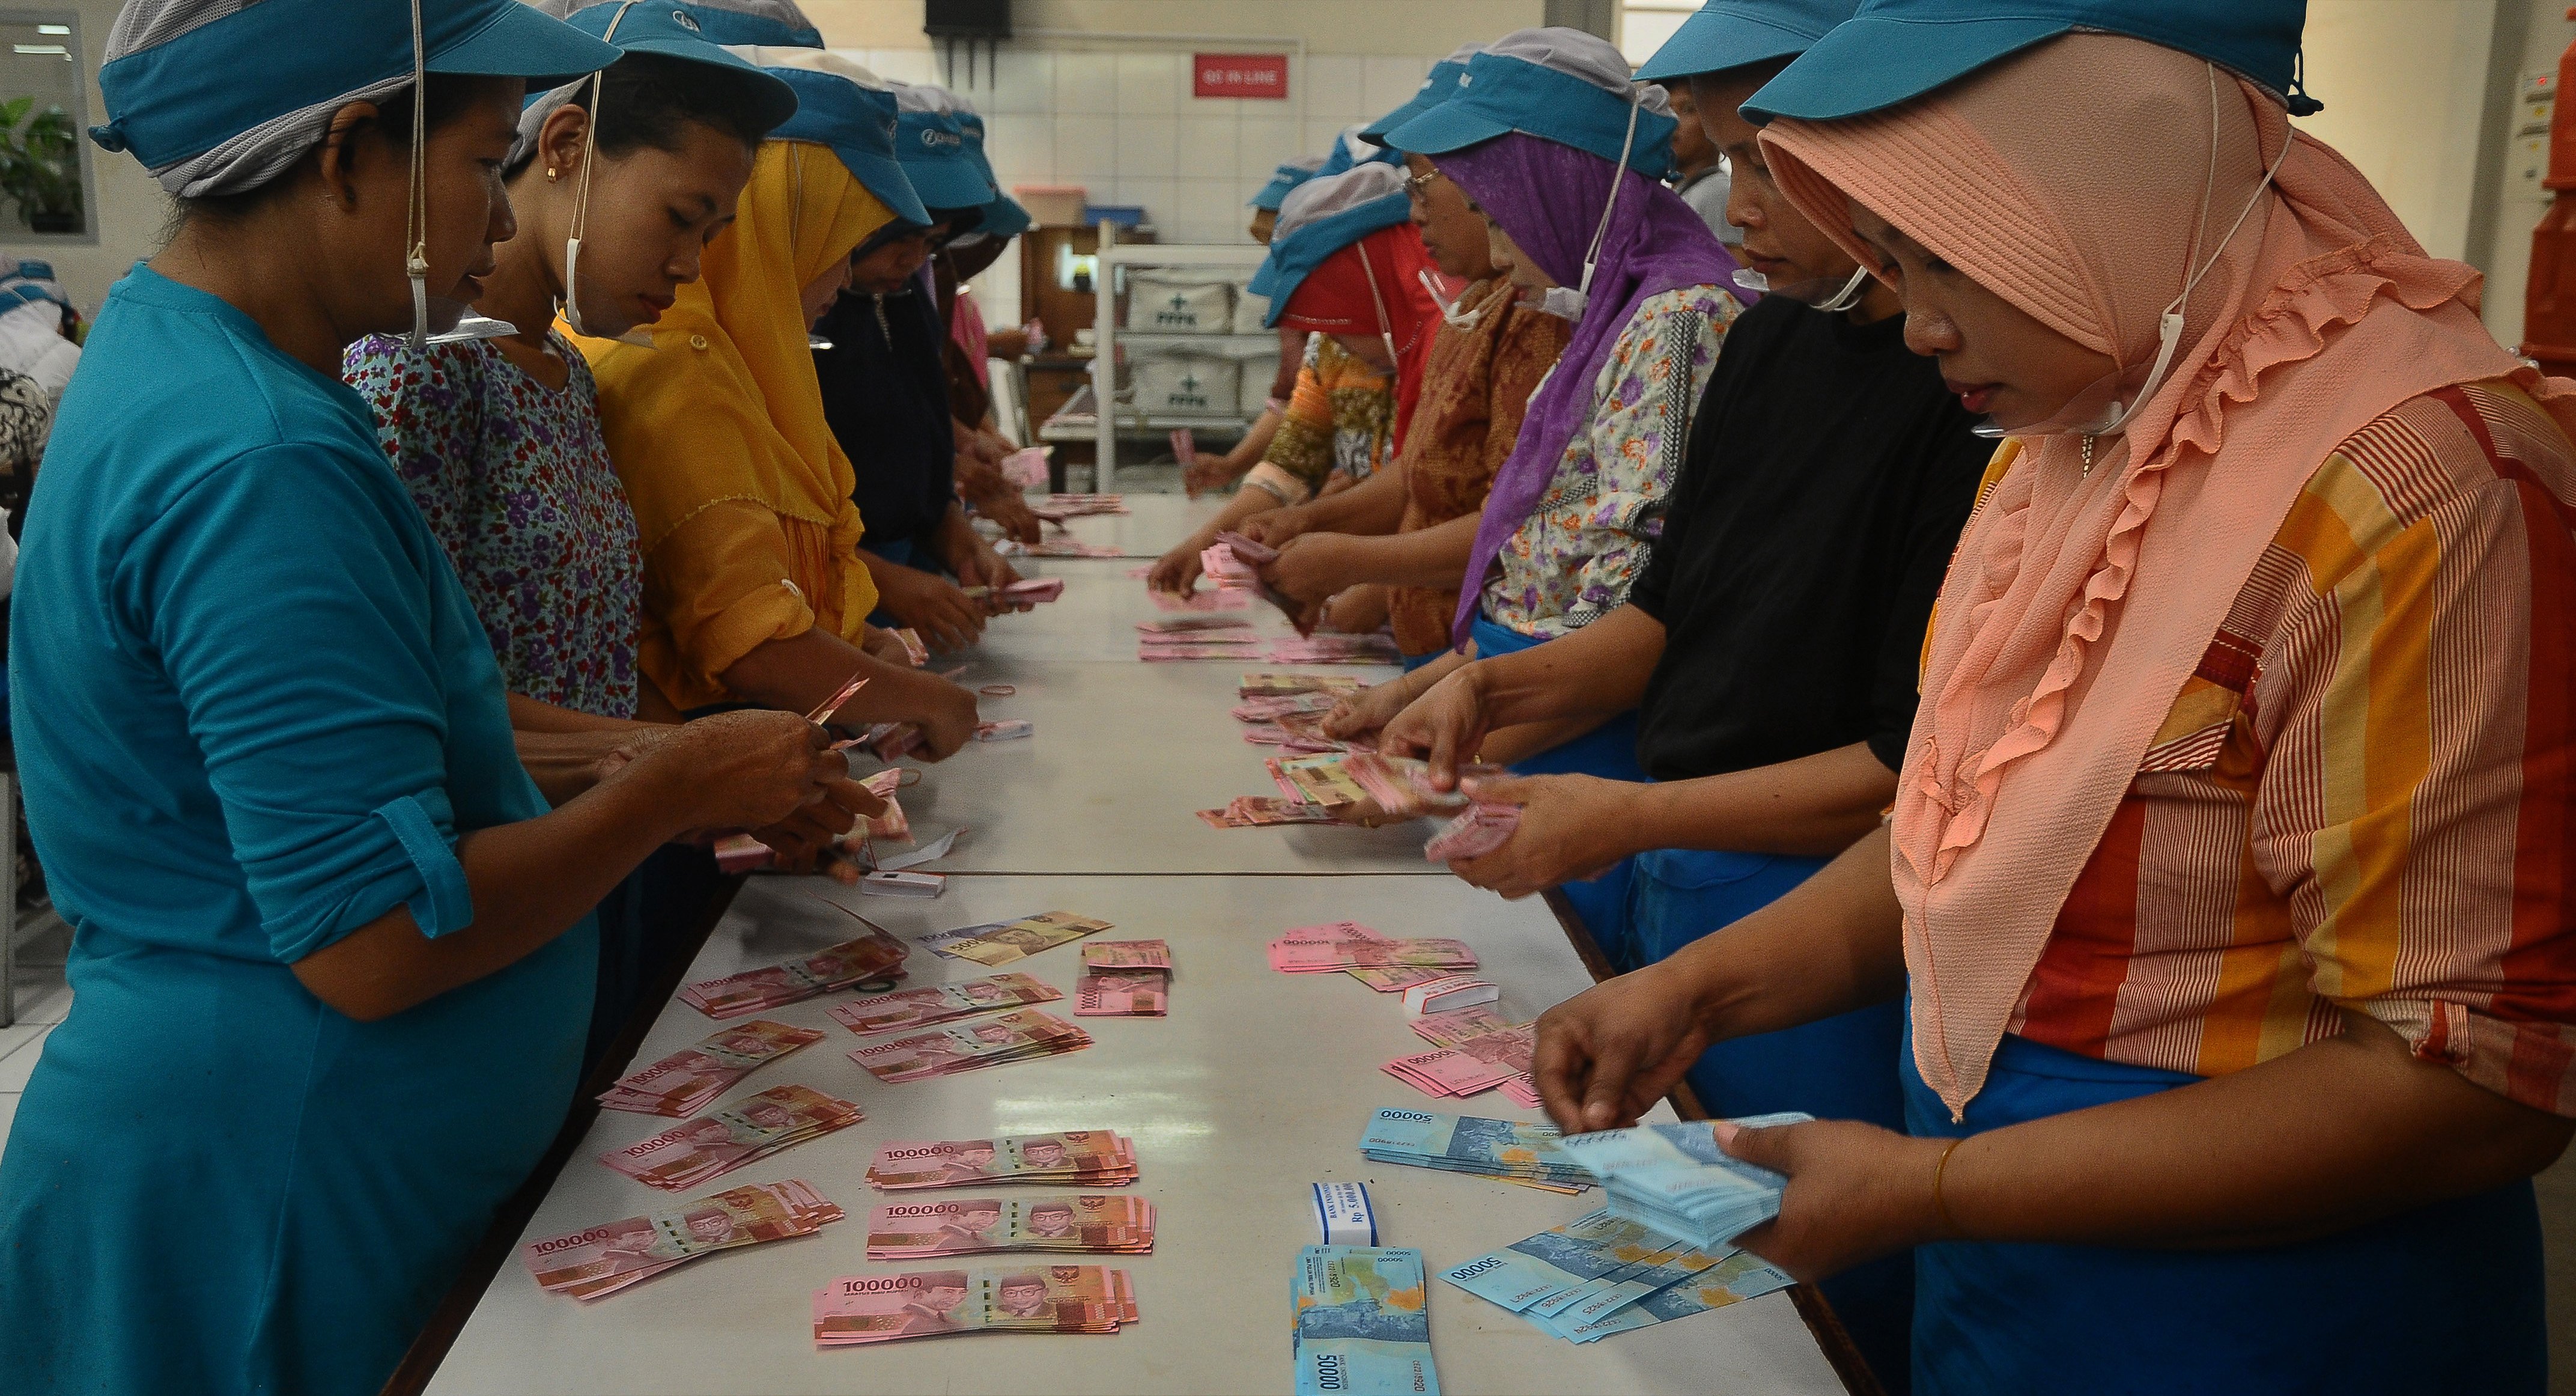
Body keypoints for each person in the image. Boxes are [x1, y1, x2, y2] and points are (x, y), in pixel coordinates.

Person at [1535, 7, 2576, 1394]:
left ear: (2117, 176)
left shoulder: (2416, 491)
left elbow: (2463, 1089)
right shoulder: (2082, 426)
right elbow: (1959, 845)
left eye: (1958, 259)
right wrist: (1694, 990)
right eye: (1894, 264)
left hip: (2265, 1312)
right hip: (2016, 1256)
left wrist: (1932, 1185)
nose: (1919, 325)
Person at [0, 4, 873, 1392]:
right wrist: (668, 788)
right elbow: (377, 939)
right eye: (481, 159)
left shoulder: (195, 368)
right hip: (277, 1184)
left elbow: (387, 729)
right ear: (348, 153)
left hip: (280, 1143)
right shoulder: (259, 456)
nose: (500, 206)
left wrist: (656, 749)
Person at [1355, 3, 1972, 1380]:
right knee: (1663, 1293)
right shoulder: (1767, 342)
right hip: (1681, 868)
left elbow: (1908, 765)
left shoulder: (1959, 396)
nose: (1729, 203)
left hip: (1820, 911)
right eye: (1718, 160)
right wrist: (1492, 687)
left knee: (1797, 1328)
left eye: (1760, 162)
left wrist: (1623, 814)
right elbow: (1665, 608)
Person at [344, 1, 801, 1066]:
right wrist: (677, 768)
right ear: (562, 148)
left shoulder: (562, 373)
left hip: (595, 861)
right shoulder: (420, 367)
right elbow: (404, 686)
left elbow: (590, 653)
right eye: (681, 216)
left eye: (713, 234)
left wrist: (720, 777)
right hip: (481, 893)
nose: (690, 263)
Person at [1339, 28, 1746, 937]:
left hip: (1577, 735)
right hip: (1517, 707)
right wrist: (1417, 697)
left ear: (1555, 186)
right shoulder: (1612, 308)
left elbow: (1623, 605)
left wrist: (1459, 750)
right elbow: (1548, 562)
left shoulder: (1682, 319)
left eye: (1496, 214)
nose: (1491, 247)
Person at [576, 48, 980, 749]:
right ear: (776, 233)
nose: (843, 277)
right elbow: (751, 644)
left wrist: (854, 649)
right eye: (837, 245)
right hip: (704, 777)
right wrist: (925, 698)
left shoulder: (739, 363)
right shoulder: (678, 365)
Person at [1243, 148, 1570, 668]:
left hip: (1485, 653)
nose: (1416, 214)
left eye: (1423, 184)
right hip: (1443, 652)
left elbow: (1514, 530)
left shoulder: (1536, 317)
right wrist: (1306, 522)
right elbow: (1417, 473)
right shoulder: (1466, 310)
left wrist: (1355, 565)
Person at [813, 77, 1024, 653]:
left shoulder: (904, 300)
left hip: (903, 576)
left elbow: (920, 448)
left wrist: (957, 540)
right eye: (899, 238)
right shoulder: (810, 318)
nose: (913, 260)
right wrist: (884, 582)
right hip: (829, 597)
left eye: (932, 244)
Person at [1147, 162, 1425, 599]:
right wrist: (1201, 544)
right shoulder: (1332, 349)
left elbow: (1440, 493)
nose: (1323, 332)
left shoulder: (1444, 347)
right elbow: (1291, 461)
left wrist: (1357, 558)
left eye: (1329, 308)